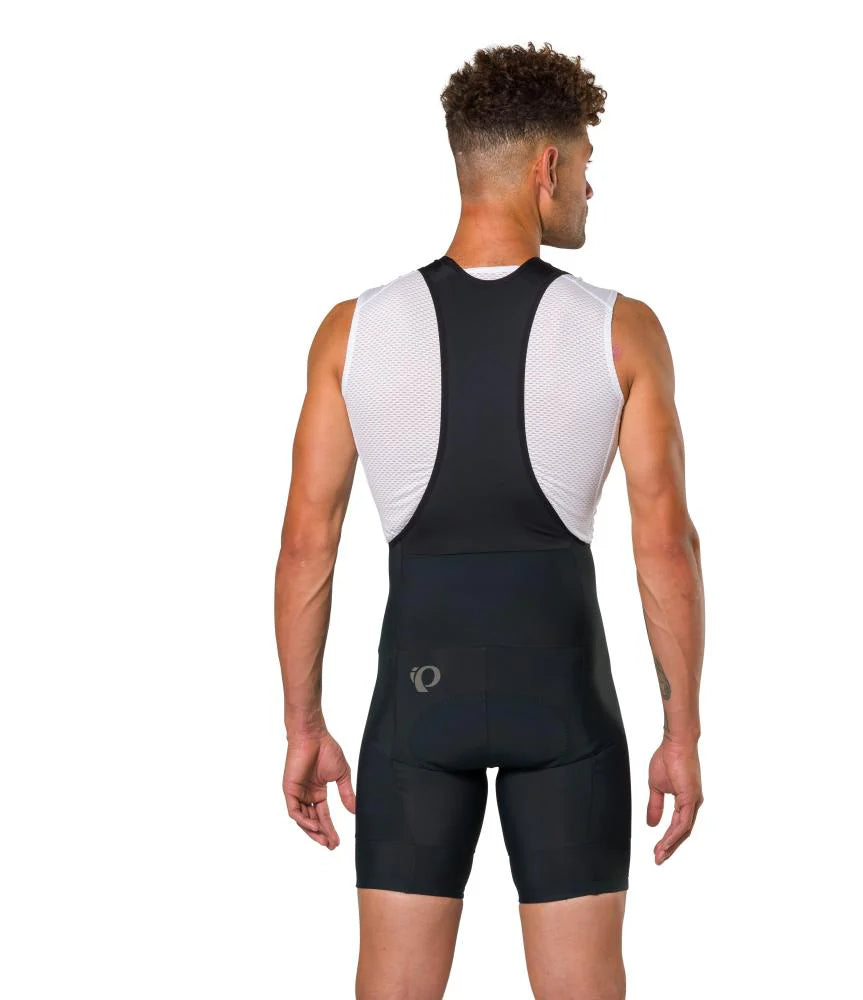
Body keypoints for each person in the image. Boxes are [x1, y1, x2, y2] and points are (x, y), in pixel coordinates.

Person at [274, 41, 705, 1000]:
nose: (590, 188)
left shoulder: (352, 331)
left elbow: (306, 546)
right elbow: (666, 546)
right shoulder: (622, 329)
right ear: (546, 166)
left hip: (415, 712)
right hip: (567, 712)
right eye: (584, 164)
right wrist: (682, 733)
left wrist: (304, 725)